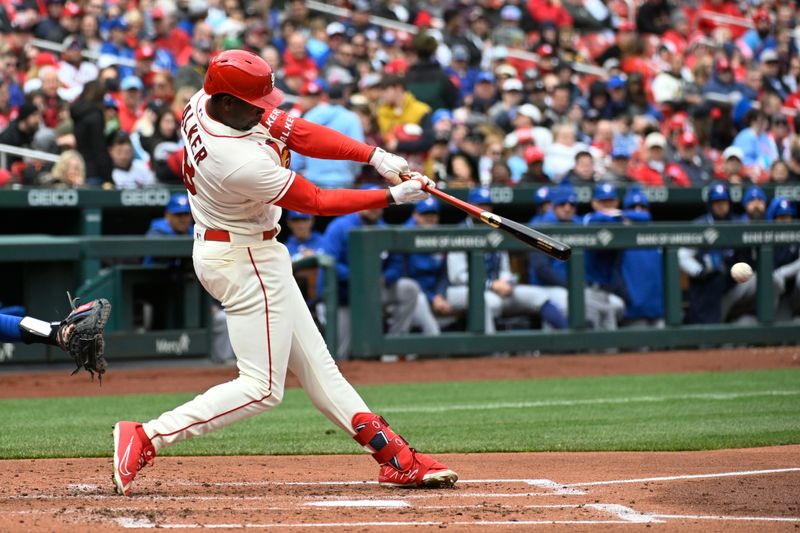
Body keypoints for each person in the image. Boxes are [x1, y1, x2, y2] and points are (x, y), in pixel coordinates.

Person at [112, 50, 457, 498]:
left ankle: (395, 458)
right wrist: (391, 198)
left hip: (242, 247)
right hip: (243, 256)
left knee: (320, 369)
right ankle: (147, 436)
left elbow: (297, 131)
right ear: (229, 102)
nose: (266, 110)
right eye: (256, 104)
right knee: (261, 388)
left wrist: (373, 155)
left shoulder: (206, 100)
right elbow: (316, 201)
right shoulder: (236, 160)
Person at [321, 190, 426, 360]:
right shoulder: (339, 226)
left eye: (378, 205)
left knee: (409, 289)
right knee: (340, 352)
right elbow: (329, 262)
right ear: (359, 205)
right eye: (369, 204)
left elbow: (396, 262)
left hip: (376, 290)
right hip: (345, 296)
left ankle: (392, 348)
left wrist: (387, 277)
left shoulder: (384, 229)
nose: (373, 209)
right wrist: (361, 277)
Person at [446, 188, 568, 333]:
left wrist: (506, 282)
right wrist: (491, 284)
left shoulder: (497, 228)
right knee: (486, 301)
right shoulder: (460, 232)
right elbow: (457, 276)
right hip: (462, 290)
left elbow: (505, 269)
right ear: (469, 206)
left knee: (538, 296)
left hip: (498, 289)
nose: (484, 209)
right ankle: (490, 350)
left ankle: (567, 340)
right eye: (479, 205)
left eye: (487, 205)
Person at [678, 182, 737, 324]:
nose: (721, 205)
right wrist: (700, 271)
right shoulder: (700, 225)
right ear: (710, 204)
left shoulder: (737, 223)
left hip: (734, 282)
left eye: (724, 201)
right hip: (707, 284)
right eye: (717, 202)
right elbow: (682, 255)